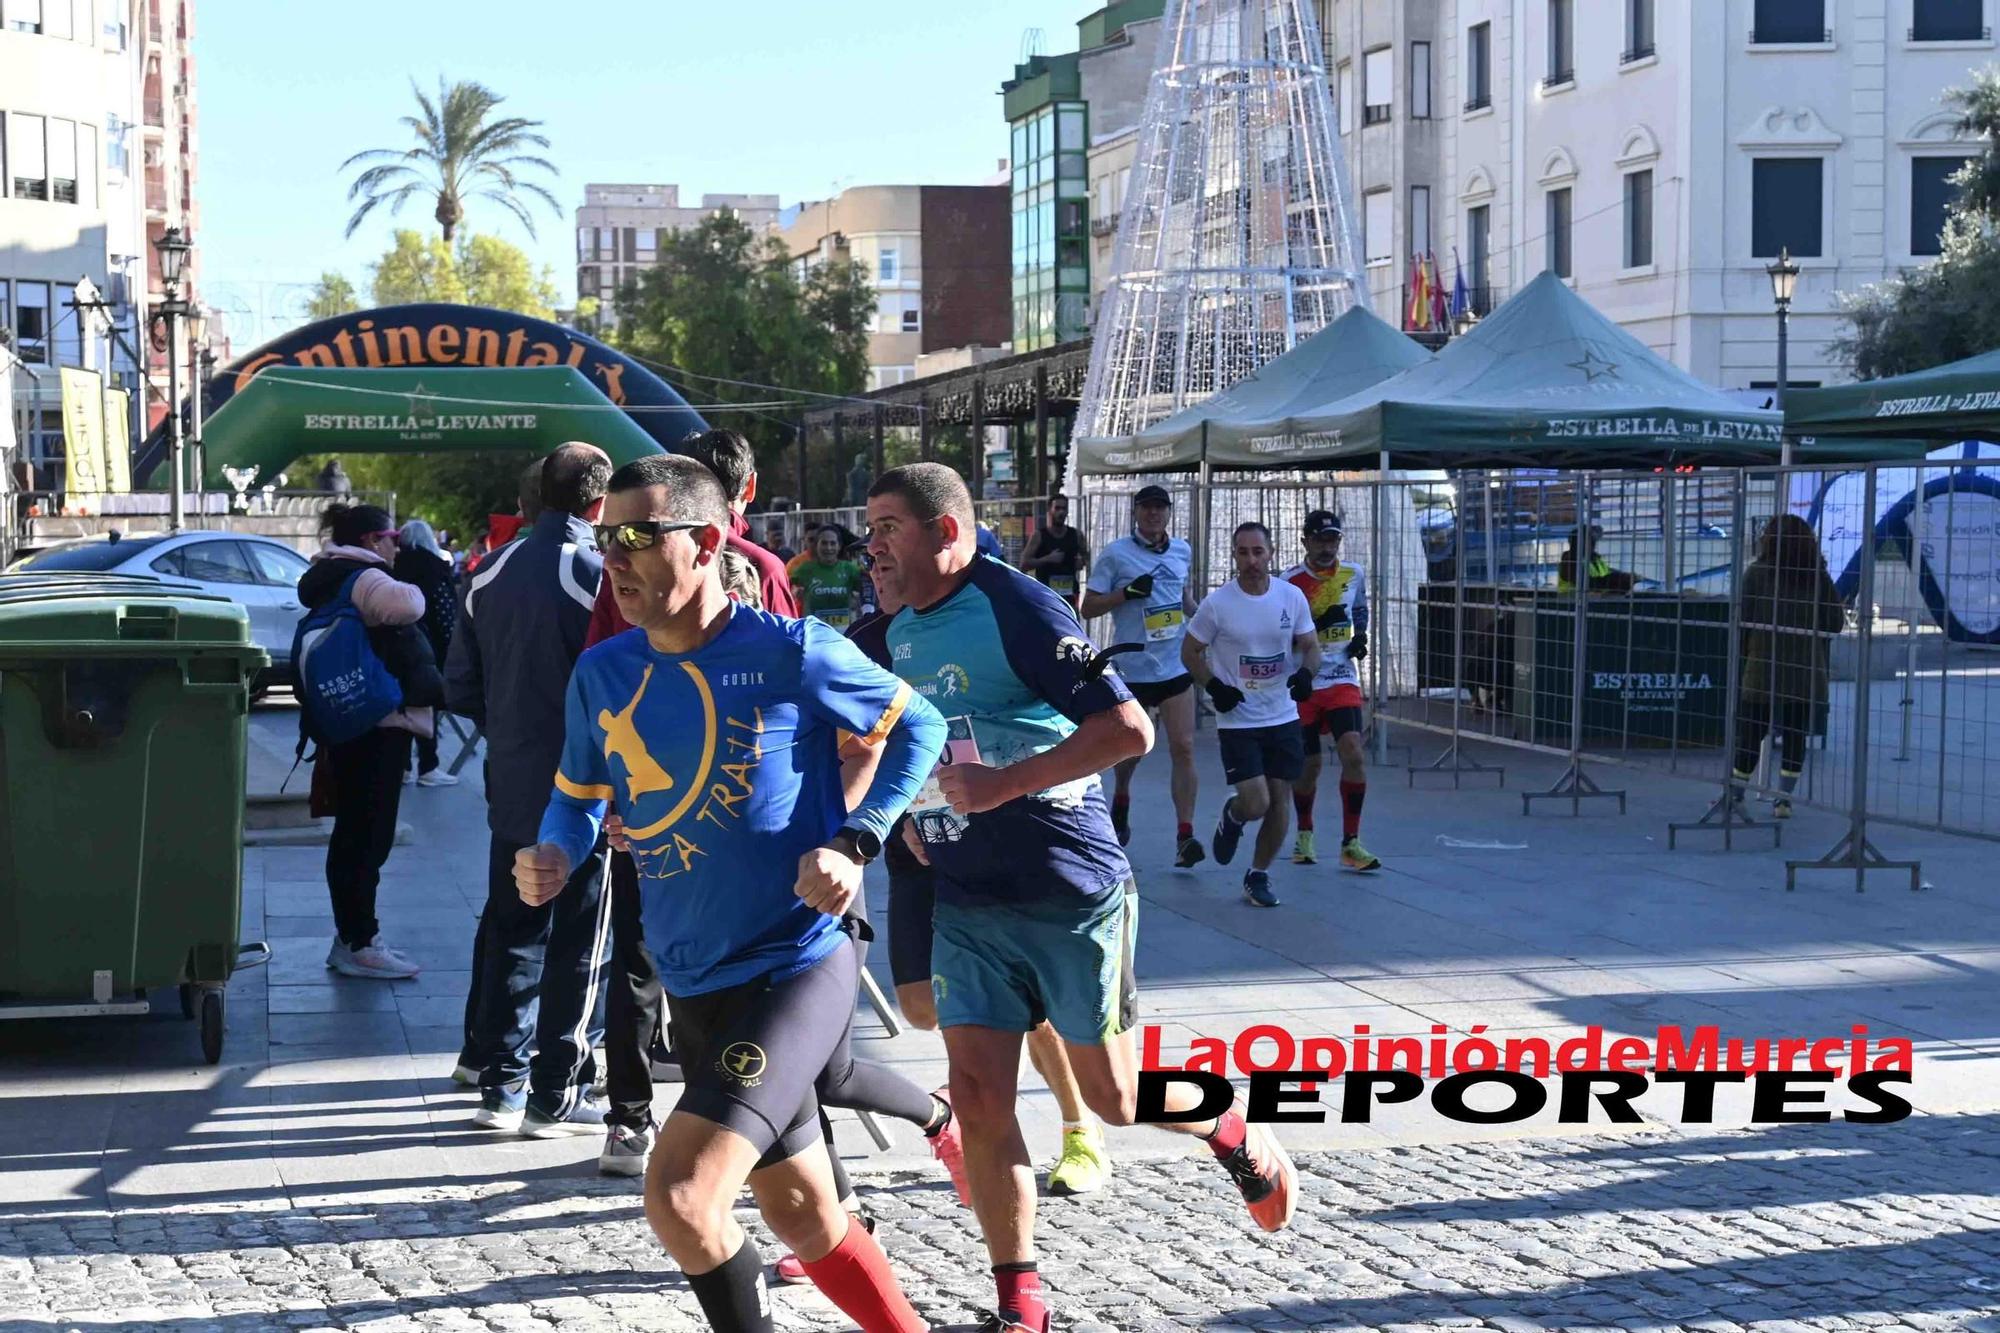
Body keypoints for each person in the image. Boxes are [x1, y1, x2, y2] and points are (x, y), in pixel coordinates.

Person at [521, 453, 949, 1333]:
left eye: (638, 536)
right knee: (804, 1213)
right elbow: (577, 795)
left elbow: (920, 726)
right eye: (605, 538)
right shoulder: (603, 671)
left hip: (797, 959)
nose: (615, 557)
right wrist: (553, 853)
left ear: (708, 541)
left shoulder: (792, 650)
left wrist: (855, 841)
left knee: (682, 1196)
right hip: (693, 976)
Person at [867, 464, 1298, 1333]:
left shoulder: (1016, 605)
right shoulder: (889, 630)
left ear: (948, 533)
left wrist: (1003, 785)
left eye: (888, 529)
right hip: (968, 900)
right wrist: (905, 812)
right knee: (979, 1098)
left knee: (1112, 1098)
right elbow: (906, 738)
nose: (871, 547)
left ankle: (1225, 1120)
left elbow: (1126, 729)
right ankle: (1021, 1302)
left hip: (1069, 889)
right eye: (871, 529)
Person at [838, 584, 1099, 1201]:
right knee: (922, 1006)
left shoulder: (984, 622)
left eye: (892, 542)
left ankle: (1078, 1126)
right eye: (873, 549)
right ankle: (979, 1084)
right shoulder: (865, 644)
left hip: (996, 832)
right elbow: (864, 750)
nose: (882, 561)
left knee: (1021, 1004)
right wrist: (897, 815)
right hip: (919, 840)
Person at [445, 444, 616, 1137]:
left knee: (515, 929)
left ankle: (502, 1084)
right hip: (587, 790)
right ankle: (555, 1089)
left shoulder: (487, 571)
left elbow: (457, 684)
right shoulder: (599, 575)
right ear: (598, 505)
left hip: (511, 783)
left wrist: (508, 730)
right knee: (579, 938)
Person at [299, 502, 441, 980]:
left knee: (355, 835)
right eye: (392, 539)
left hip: (353, 720)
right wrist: (417, 578)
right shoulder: (363, 576)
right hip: (377, 725)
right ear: (369, 541)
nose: (395, 548)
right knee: (367, 838)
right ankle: (360, 941)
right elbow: (409, 604)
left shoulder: (332, 574)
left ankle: (353, 935)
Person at [1183, 521, 1320, 908]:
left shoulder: (1290, 597)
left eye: (1258, 552)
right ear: (1234, 555)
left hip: (1282, 715)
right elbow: (1189, 652)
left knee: (1280, 801)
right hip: (1239, 719)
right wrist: (1214, 688)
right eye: (1243, 552)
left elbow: (1310, 645)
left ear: (1271, 553)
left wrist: (1307, 675)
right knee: (1256, 803)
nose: (1251, 560)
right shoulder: (1218, 605)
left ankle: (1257, 874)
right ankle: (1234, 813)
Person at [1081, 485, 1203, 867]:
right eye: (1146, 508)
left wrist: (1207, 625)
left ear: (1168, 513)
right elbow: (1088, 606)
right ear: (1135, 512)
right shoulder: (1117, 554)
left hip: (1174, 666)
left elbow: (1183, 600)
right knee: (1133, 750)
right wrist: (1125, 594)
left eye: (1159, 509)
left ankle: (1186, 835)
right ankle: (1122, 796)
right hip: (1133, 670)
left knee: (1183, 747)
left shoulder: (1182, 550)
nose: (1153, 515)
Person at [1281, 511, 1381, 872]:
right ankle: (1305, 832)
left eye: (1333, 540)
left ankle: (1351, 842)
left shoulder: (1353, 573)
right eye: (1320, 540)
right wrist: (1311, 629)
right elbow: (1280, 633)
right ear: (1304, 540)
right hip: (1305, 679)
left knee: (1353, 752)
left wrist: (1360, 639)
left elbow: (1360, 609)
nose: (1327, 547)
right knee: (1310, 766)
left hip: (1341, 677)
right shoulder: (1289, 582)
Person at [1729, 514, 1847, 820]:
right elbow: (1835, 622)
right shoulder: (1817, 576)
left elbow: (1742, 621)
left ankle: (1735, 793)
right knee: (1795, 735)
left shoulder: (1756, 573)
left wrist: (1748, 653)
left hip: (1762, 665)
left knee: (1751, 733)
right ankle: (1783, 800)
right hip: (1805, 669)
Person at [393, 518, 460, 788]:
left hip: (399, 645)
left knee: (406, 705)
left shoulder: (395, 568)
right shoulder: (435, 569)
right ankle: (428, 766)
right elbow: (445, 616)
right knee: (426, 704)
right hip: (428, 647)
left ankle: (404, 767)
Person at [1016, 494, 1089, 611]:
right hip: (1045, 594)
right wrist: (1047, 559)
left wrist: (1082, 562)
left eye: (1064, 509)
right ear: (1050, 510)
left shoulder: (1076, 535)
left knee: (1069, 626)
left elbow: (1087, 557)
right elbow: (1024, 564)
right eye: (1057, 508)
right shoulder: (1039, 535)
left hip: (1069, 594)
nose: (1061, 513)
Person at [793, 526, 865, 630]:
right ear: (816, 545)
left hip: (843, 632)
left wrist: (857, 601)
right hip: (814, 632)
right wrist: (795, 592)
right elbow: (789, 589)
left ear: (839, 546)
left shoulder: (850, 569)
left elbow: (866, 592)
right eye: (824, 543)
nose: (828, 548)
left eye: (833, 543)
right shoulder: (805, 569)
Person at [1557, 524, 1637, 593]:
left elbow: (1607, 572)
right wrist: (1617, 580)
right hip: (1572, 602)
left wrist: (1623, 576)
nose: (1593, 545)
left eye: (1593, 542)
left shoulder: (1594, 558)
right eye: (1591, 541)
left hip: (1599, 599)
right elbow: (1587, 583)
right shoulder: (1570, 560)